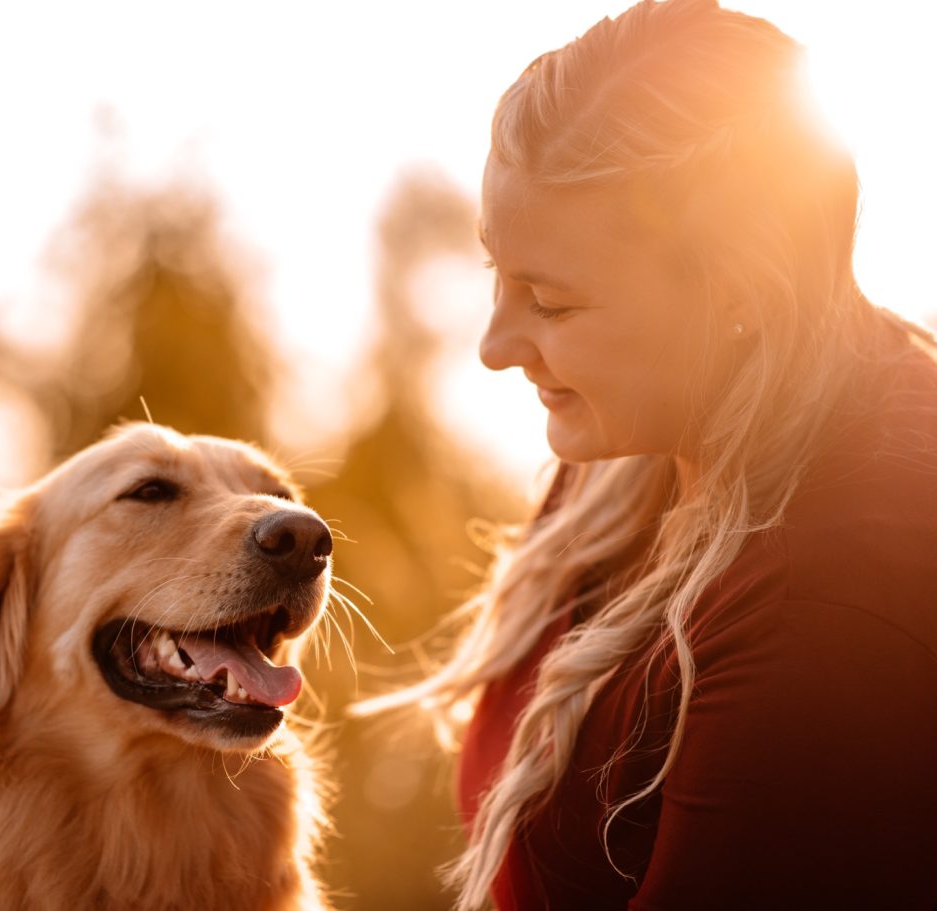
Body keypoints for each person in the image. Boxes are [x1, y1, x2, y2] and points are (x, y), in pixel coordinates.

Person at [365, 0, 937, 908]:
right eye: (496, 274)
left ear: (740, 294)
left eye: (550, 302)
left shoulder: (825, 607)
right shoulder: (642, 433)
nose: (495, 344)